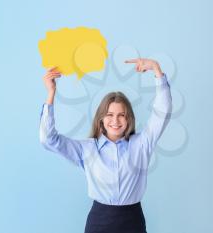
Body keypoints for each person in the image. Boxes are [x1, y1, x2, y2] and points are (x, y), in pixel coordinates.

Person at [39, 58, 172, 233]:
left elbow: (162, 113)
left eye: (121, 115)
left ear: (129, 118)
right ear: (101, 119)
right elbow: (48, 139)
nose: (115, 120)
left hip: (133, 221)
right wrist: (51, 93)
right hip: (99, 222)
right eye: (109, 114)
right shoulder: (87, 149)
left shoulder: (141, 144)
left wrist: (157, 70)